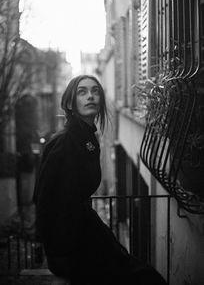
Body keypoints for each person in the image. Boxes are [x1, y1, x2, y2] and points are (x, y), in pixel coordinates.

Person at [33, 75, 167, 285]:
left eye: (95, 91)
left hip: (85, 231)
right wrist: (58, 254)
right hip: (70, 246)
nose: (91, 96)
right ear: (70, 103)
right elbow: (44, 201)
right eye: (82, 92)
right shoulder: (65, 143)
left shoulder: (87, 138)